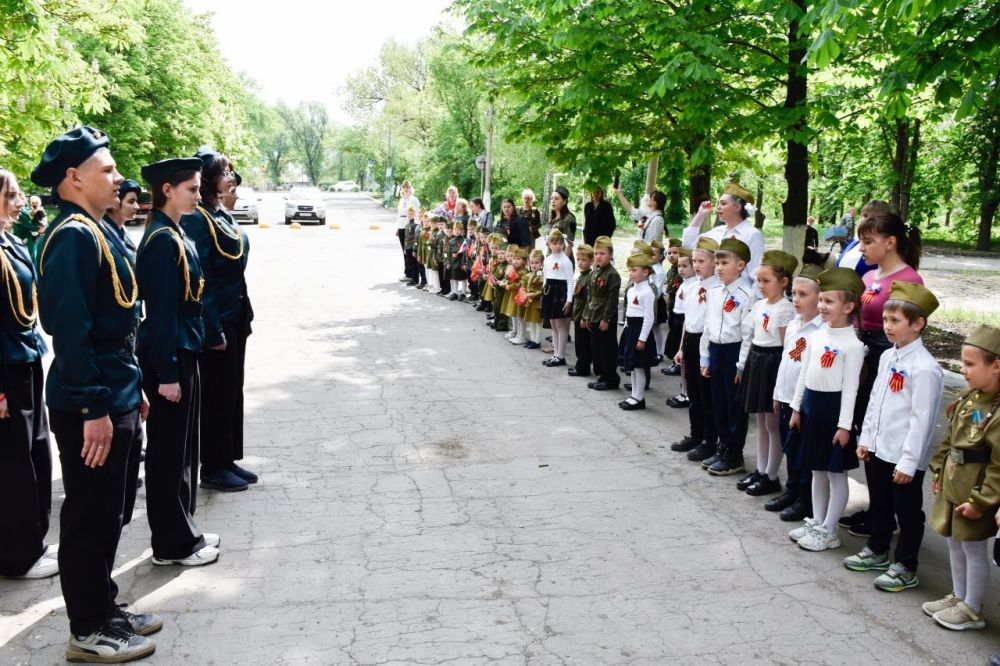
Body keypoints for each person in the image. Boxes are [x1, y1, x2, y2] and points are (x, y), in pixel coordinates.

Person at [32, 126, 157, 662]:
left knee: (111, 511)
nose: (115, 177)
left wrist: (133, 389)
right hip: (92, 397)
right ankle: (87, 630)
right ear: (73, 178)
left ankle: (104, 606)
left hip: (117, 388)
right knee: (89, 514)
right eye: (105, 170)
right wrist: (93, 407)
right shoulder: (71, 237)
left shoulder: (98, 230)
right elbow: (73, 330)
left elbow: (119, 319)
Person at [137, 158, 220, 568]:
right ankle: (171, 544)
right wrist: (167, 373)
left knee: (186, 447)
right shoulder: (160, 240)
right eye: (191, 188)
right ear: (167, 190)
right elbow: (163, 311)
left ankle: (185, 528)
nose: (198, 195)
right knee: (168, 453)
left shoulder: (175, 232)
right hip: (170, 351)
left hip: (186, 345)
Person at [845, 282, 943, 592]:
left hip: (904, 456)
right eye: (886, 320)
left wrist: (909, 462)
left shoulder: (925, 368)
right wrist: (866, 439)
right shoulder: (888, 356)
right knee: (881, 502)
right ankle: (877, 548)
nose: (887, 327)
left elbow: (922, 420)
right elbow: (875, 399)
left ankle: (905, 565)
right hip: (879, 448)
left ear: (917, 324)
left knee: (908, 511)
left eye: (895, 321)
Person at [841, 210, 923, 537]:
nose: (861, 247)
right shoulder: (870, 277)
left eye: (868, 241)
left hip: (884, 358)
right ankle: (879, 510)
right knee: (867, 433)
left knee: (883, 436)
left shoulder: (909, 280)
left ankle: (887, 516)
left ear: (890, 242)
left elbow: (906, 329)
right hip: (862, 356)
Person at [181, 146, 256, 493]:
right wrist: (211, 329)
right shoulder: (198, 218)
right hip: (217, 320)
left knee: (232, 391)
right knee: (217, 393)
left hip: (235, 314)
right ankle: (212, 465)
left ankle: (227, 458)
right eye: (225, 172)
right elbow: (202, 280)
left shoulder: (220, 214)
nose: (232, 177)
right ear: (209, 179)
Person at [923, 325, 1000, 631]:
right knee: (954, 543)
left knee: (973, 548)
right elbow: (950, 439)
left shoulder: (996, 411)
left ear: (996, 366)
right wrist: (939, 469)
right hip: (955, 483)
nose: (963, 370)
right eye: (963, 363)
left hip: (975, 492)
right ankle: (958, 595)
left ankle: (972, 608)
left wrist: (981, 501)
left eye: (970, 365)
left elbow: (998, 465)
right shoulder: (970, 398)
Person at [0, 169, 55, 581]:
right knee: (13, 461)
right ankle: (17, 554)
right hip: (5, 367)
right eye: (12, 195)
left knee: (36, 448)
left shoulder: (11, 241)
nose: (21, 202)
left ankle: (33, 538)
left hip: (25, 355)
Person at [788, 268, 865, 552]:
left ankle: (830, 530)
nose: (822, 306)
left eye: (829, 301)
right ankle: (818, 521)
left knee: (835, 473)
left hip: (834, 413)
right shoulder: (818, 336)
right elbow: (805, 373)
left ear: (848, 307)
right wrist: (797, 407)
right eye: (821, 300)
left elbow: (851, 390)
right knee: (816, 470)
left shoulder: (853, 345)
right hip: (812, 408)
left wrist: (844, 426)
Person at [735, 251, 798, 497]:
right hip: (757, 360)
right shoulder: (760, 304)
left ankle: (772, 475)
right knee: (761, 422)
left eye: (766, 281)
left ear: (783, 282)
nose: (761, 286)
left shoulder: (785, 309)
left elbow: (786, 347)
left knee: (773, 424)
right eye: (759, 281)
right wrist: (743, 365)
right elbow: (750, 334)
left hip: (773, 363)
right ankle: (761, 470)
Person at [101, 179, 145, 523]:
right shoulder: (84, 236)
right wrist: (92, 406)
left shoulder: (117, 235)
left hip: (125, 364)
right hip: (107, 374)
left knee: (119, 503)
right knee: (100, 508)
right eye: (129, 200)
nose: (132, 206)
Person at [767, 264, 823, 522]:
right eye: (794, 294)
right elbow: (785, 362)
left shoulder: (821, 332)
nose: (796, 300)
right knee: (789, 447)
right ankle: (791, 490)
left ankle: (805, 498)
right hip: (786, 395)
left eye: (803, 295)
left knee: (802, 451)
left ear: (819, 298)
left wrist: (798, 404)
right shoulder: (793, 324)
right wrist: (778, 393)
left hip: (803, 402)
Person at [698, 238, 758, 476]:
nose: (719, 267)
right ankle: (722, 447)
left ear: (741, 265)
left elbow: (748, 335)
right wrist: (705, 358)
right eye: (718, 263)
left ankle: (735, 454)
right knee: (718, 404)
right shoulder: (713, 292)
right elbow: (707, 327)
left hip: (734, 354)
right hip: (716, 351)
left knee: (734, 407)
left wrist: (741, 366)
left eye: (725, 263)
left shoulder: (747, 295)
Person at [672, 238, 720, 459]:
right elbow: (688, 320)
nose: (697, 265)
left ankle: (710, 441)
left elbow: (710, 324)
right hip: (691, 339)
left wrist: (706, 354)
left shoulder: (717, 290)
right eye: (694, 260)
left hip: (706, 341)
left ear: (714, 262)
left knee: (706, 395)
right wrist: (681, 347)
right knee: (692, 391)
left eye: (702, 260)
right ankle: (695, 434)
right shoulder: (692, 287)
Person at [682, 182, 765, 285]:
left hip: (738, 296)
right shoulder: (717, 231)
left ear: (737, 207)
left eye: (723, 203)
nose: (718, 208)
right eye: (719, 204)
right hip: (715, 294)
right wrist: (700, 215)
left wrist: (754, 299)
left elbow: (756, 273)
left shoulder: (752, 234)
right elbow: (687, 244)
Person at [617, 253, 658, 410]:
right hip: (631, 329)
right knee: (632, 366)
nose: (631, 273)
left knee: (640, 366)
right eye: (630, 270)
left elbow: (649, 318)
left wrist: (642, 339)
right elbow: (629, 311)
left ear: (645, 272)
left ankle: (639, 398)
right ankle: (633, 395)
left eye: (634, 270)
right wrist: (626, 328)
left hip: (641, 331)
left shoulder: (647, 292)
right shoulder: (631, 290)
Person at [583, 236, 621, 391]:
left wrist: (606, 319)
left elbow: (612, 300)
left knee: (607, 349)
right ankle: (602, 375)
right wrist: (586, 315)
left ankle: (611, 378)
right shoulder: (594, 273)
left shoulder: (612, 275)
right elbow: (590, 296)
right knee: (596, 348)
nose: (598, 256)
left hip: (605, 317)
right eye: (596, 253)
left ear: (610, 254)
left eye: (602, 253)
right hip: (593, 315)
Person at [541, 229, 574, 367]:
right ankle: (555, 354)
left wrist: (569, 300)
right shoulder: (548, 260)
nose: (558, 246)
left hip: (561, 293)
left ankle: (561, 356)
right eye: (554, 243)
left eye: (560, 243)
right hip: (550, 292)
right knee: (553, 325)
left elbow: (570, 281)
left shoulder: (566, 261)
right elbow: (545, 277)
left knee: (561, 326)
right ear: (549, 244)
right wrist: (544, 293)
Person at [836, 199, 889, 276]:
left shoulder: (884, 246)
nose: (865, 219)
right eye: (864, 215)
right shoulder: (855, 241)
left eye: (872, 216)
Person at [568, 243, 594, 378]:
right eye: (578, 259)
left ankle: (583, 368)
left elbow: (589, 300)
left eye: (584, 260)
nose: (580, 263)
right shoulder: (582, 275)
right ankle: (580, 365)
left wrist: (585, 317)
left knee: (583, 345)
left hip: (583, 317)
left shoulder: (589, 277)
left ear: (591, 261)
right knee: (579, 343)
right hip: (578, 315)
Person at [662, 239, 684, 375]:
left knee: (677, 335)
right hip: (672, 304)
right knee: (673, 331)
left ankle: (677, 364)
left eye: (675, 252)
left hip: (680, 307)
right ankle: (674, 362)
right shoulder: (672, 270)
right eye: (669, 253)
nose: (671, 255)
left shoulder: (682, 270)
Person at [501, 247, 528, 343]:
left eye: (519, 259)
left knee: (520, 317)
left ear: (524, 261)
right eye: (514, 258)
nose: (515, 261)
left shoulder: (523, 271)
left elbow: (520, 284)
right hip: (515, 295)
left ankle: (521, 337)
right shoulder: (514, 269)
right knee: (517, 316)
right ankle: (518, 334)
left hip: (520, 296)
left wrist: (509, 286)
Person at [396, 181, 420, 281]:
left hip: (410, 225)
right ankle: (408, 273)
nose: (406, 189)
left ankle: (413, 274)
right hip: (402, 225)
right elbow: (399, 214)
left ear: (410, 188)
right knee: (405, 251)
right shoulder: (401, 200)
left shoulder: (414, 199)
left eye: (408, 187)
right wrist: (397, 227)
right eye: (404, 187)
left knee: (410, 250)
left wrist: (417, 227)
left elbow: (417, 213)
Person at [13, 194, 48, 264]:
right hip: (25, 240)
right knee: (30, 260)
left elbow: (45, 224)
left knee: (37, 259)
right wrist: (42, 228)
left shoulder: (28, 209)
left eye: (23, 198)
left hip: (35, 239)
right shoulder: (19, 213)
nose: (22, 201)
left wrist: (43, 226)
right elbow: (34, 227)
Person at [522, 250, 544, 349]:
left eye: (537, 263)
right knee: (531, 321)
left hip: (537, 302)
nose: (534, 265)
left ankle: (537, 341)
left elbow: (542, 291)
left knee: (537, 322)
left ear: (542, 263)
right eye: (532, 263)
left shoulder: (542, 276)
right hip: (529, 302)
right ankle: (532, 339)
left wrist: (532, 294)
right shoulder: (529, 274)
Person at [447, 221, 469, 301]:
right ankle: (455, 292)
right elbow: (448, 253)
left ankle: (463, 293)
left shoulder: (464, 241)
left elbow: (464, 253)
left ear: (462, 231)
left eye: (459, 229)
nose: (457, 231)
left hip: (460, 262)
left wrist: (463, 263)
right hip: (453, 262)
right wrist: (448, 262)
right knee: (454, 278)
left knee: (462, 278)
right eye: (455, 229)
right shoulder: (451, 241)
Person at [403, 207, 420, 286]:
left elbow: (415, 237)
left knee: (414, 264)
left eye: (411, 214)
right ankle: (413, 278)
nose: (410, 215)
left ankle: (415, 280)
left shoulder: (415, 224)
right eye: (409, 214)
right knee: (410, 263)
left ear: (415, 215)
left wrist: (414, 248)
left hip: (412, 246)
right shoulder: (407, 224)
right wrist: (405, 248)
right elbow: (406, 237)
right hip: (407, 246)